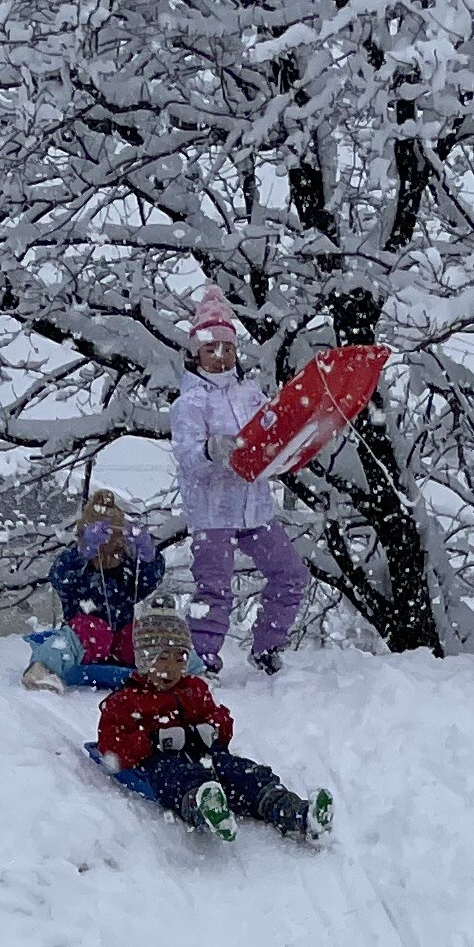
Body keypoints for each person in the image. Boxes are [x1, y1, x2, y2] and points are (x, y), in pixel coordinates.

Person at [95, 599, 331, 844]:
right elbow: (112, 747)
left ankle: (294, 811)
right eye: (162, 657)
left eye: (180, 658)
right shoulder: (126, 700)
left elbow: (221, 718)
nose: (172, 668)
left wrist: (211, 730)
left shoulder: (194, 689)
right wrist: (154, 740)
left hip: (208, 754)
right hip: (160, 761)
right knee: (174, 776)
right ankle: (203, 806)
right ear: (144, 659)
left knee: (243, 773)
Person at [170, 283, 307, 675]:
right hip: (212, 514)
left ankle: (267, 649)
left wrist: (295, 442)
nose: (220, 355)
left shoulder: (250, 394)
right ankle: (203, 664)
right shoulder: (189, 404)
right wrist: (212, 450)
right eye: (210, 349)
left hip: (255, 509)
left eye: (226, 347)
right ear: (195, 354)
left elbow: (273, 435)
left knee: (291, 574)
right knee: (213, 590)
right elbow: (188, 460)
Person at [24, 491, 165, 688]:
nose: (110, 555)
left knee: (144, 633)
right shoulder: (77, 569)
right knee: (90, 631)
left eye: (116, 547)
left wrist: (150, 559)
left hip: (121, 645)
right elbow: (59, 577)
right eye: (102, 547)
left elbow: (148, 582)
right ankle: (42, 669)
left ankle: (183, 671)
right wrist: (81, 554)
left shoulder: (126, 572)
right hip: (84, 644)